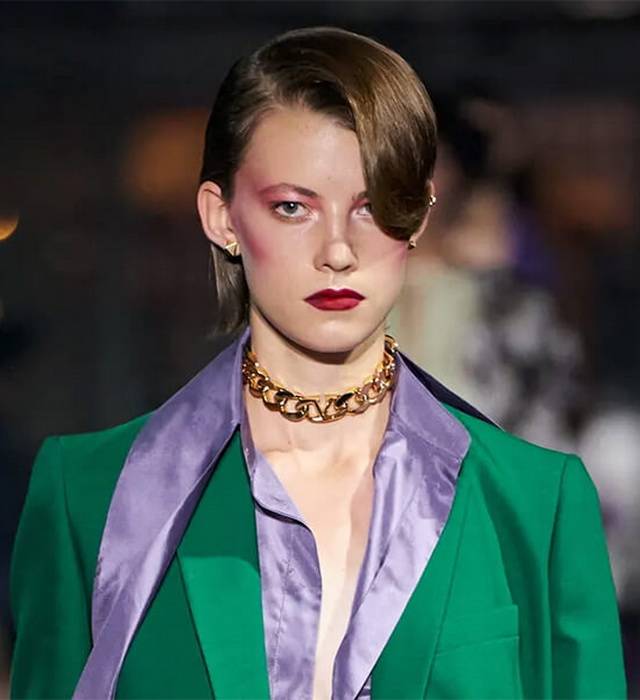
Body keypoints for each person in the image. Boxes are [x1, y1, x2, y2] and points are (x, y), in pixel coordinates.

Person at [9, 26, 626, 700]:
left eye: (373, 207)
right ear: (222, 218)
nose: (338, 250)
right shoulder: (91, 499)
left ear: (417, 217)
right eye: (293, 207)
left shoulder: (536, 506)